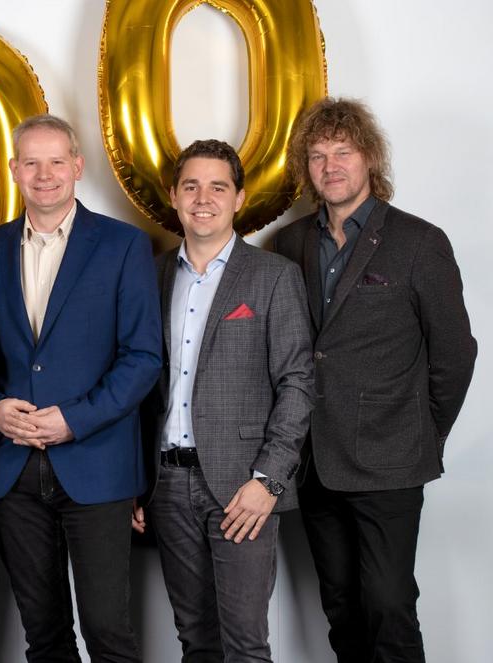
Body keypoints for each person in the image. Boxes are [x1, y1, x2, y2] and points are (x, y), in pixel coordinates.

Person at [274, 97, 477, 662]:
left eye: (343, 152)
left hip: (390, 459)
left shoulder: (419, 242)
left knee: (389, 605)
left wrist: (423, 432)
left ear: (369, 158)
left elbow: (455, 354)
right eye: (318, 156)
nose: (330, 166)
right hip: (315, 459)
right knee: (341, 608)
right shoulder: (291, 243)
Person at [0, 114, 162, 663]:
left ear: (77, 166)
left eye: (56, 161)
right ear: (13, 169)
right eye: (31, 162)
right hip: (13, 470)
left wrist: (75, 419)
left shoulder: (124, 245)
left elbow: (143, 357)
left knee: (108, 633)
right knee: (44, 635)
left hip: (97, 465)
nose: (44, 174)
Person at [135, 139, 314, 662]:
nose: (203, 198)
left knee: (244, 644)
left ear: (238, 199)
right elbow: (138, 384)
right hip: (166, 485)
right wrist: (134, 483)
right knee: (195, 640)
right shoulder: (151, 276)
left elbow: (298, 383)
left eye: (218, 187)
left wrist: (268, 481)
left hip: (243, 487)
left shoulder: (273, 275)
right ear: (174, 196)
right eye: (191, 186)